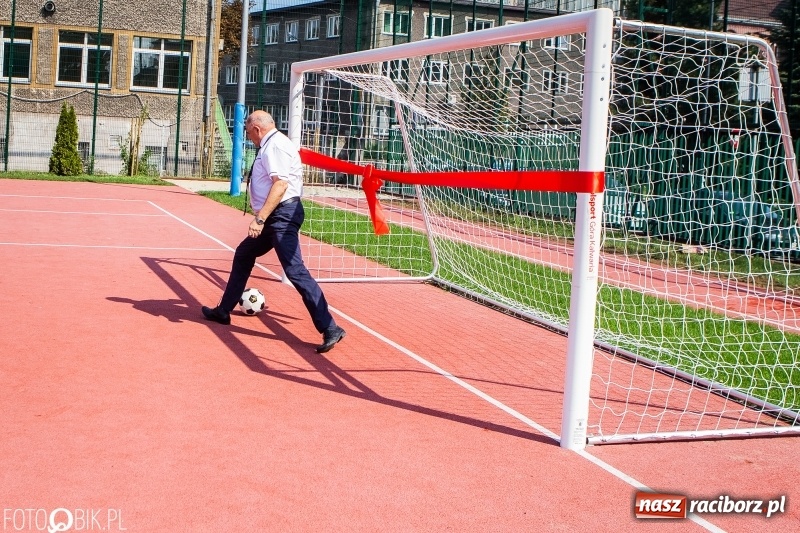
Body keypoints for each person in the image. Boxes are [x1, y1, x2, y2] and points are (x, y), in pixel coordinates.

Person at [202, 110, 346, 353]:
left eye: (248, 133)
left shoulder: (275, 146)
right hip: (275, 216)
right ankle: (224, 310)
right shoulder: (270, 144)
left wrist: (259, 219)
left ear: (256, 129)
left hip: (282, 216)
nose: (249, 138)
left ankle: (330, 327)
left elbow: (280, 185)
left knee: (294, 270)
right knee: (244, 253)